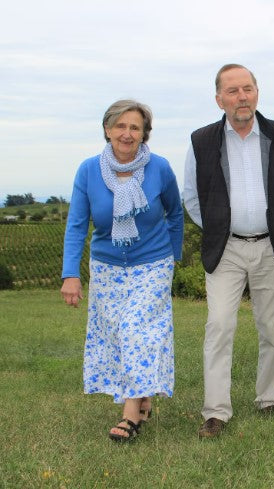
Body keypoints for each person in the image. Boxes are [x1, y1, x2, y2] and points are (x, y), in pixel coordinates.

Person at [183, 63, 274, 438]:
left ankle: (269, 400)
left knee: (272, 329)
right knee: (219, 326)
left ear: (257, 93)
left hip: (270, 245)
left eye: (247, 88)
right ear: (219, 99)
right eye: (232, 91)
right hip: (227, 250)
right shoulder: (201, 140)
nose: (242, 97)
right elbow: (191, 196)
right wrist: (220, 229)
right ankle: (216, 411)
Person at [61, 99, 184, 442]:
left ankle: (130, 416)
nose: (127, 133)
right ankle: (142, 398)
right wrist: (70, 273)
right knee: (117, 335)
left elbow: (174, 214)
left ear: (145, 134)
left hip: (153, 262)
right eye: (120, 126)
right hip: (107, 265)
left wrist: (172, 257)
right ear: (107, 129)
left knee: (135, 329)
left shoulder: (159, 168)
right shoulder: (88, 170)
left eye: (134, 127)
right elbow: (76, 225)